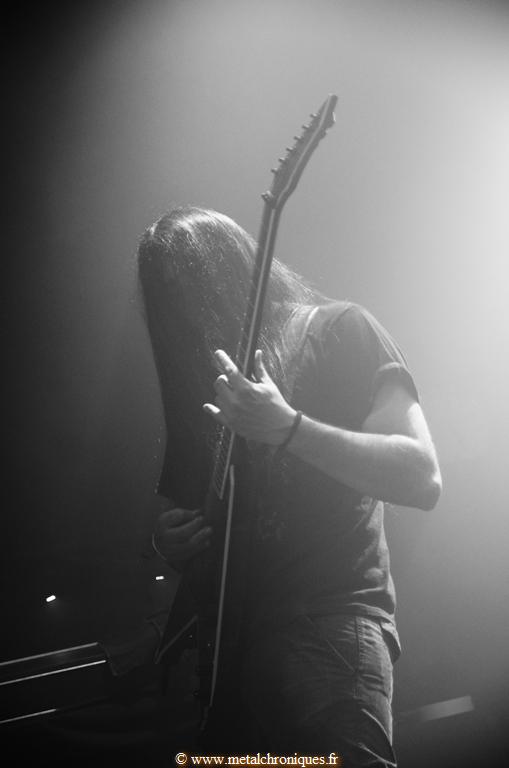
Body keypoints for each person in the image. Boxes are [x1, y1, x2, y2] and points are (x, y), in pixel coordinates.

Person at [137, 205, 442, 766]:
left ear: (230, 269)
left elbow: (421, 475)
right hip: (228, 660)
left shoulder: (338, 329)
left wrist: (289, 428)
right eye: (168, 298)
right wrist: (171, 542)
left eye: (192, 285)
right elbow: (206, 529)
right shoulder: (206, 393)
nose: (185, 311)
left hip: (325, 628)